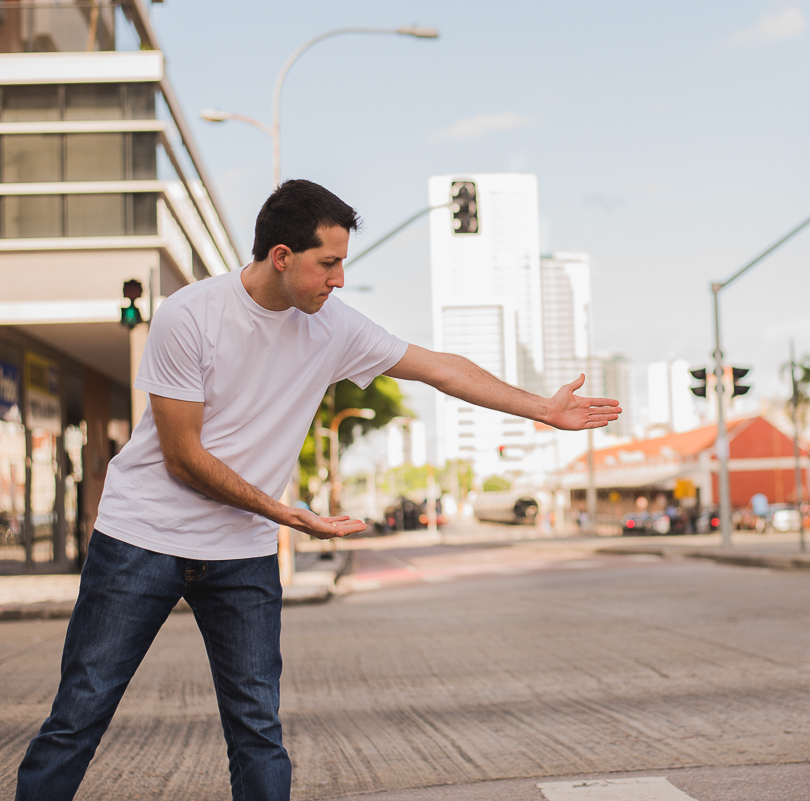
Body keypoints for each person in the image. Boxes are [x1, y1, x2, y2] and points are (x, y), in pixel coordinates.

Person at [16, 179, 622, 801]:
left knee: (257, 728)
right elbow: (183, 458)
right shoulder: (189, 315)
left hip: (241, 553)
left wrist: (541, 410)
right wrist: (284, 514)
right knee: (79, 716)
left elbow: (440, 367)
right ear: (281, 256)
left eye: (342, 265)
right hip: (141, 538)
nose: (337, 281)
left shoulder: (332, 328)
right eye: (327, 264)